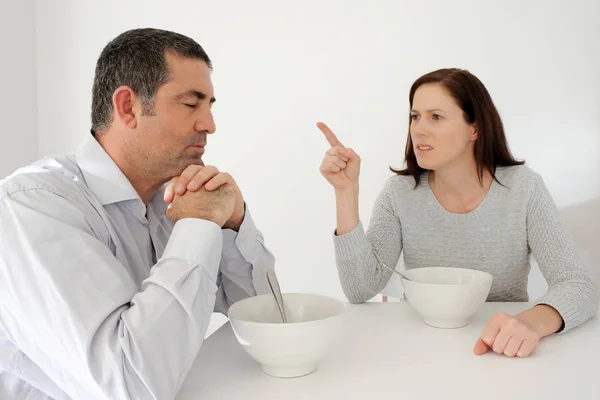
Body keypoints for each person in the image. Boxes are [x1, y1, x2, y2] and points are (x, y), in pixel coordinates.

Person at [0, 28, 275, 399]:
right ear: (127, 106)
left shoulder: (173, 197)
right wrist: (197, 225)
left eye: (210, 105)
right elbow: (130, 385)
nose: (209, 124)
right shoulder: (33, 205)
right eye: (192, 104)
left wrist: (235, 222)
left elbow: (266, 320)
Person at [318, 68, 599, 359]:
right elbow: (359, 287)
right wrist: (346, 192)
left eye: (435, 117)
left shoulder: (524, 188)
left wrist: (529, 322)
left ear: (474, 129)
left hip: (498, 350)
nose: (418, 129)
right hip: (416, 346)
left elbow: (578, 286)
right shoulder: (398, 192)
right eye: (415, 116)